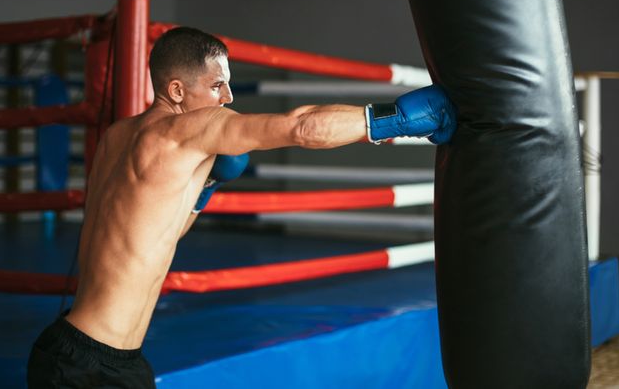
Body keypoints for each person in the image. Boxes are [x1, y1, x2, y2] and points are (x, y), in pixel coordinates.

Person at [27, 26, 456, 388]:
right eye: (217, 86)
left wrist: (206, 186)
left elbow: (158, 231)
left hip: (80, 351)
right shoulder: (192, 129)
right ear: (176, 90)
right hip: (90, 368)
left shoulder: (116, 137)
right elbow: (302, 127)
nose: (228, 97)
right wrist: (396, 120)